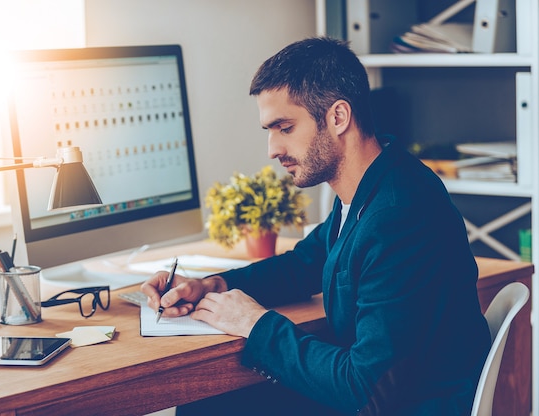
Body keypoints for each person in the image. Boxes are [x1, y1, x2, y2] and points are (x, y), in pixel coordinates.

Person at [141, 37, 491, 415]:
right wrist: (215, 286)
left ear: (338, 117)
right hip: (384, 396)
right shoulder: (375, 185)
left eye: (285, 127)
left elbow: (365, 389)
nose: (272, 149)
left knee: (208, 408)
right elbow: (305, 263)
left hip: (406, 406)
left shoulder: (398, 216)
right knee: (210, 404)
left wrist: (255, 324)